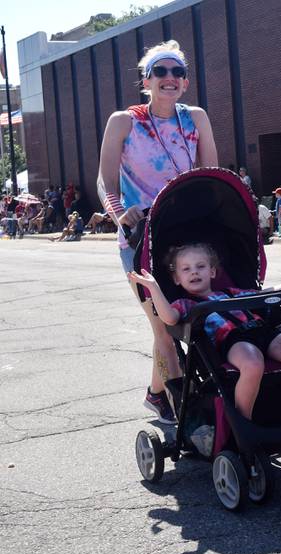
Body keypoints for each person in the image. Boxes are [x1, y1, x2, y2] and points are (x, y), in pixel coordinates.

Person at [96, 40, 218, 424]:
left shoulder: (195, 117)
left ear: (185, 81)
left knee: (200, 320)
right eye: (160, 72)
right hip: (142, 237)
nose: (170, 78)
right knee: (163, 327)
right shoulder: (124, 121)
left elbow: (211, 177)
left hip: (188, 238)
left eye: (177, 72)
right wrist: (119, 214)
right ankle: (177, 406)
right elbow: (105, 181)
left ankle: (157, 393)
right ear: (145, 80)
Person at [127, 243, 281, 420]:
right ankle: (244, 424)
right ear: (177, 278)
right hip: (232, 342)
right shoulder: (185, 304)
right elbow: (169, 318)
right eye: (186, 269)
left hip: (261, 331)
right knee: (253, 363)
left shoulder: (230, 293)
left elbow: (264, 294)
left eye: (200, 266)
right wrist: (154, 288)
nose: (194, 272)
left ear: (212, 272)